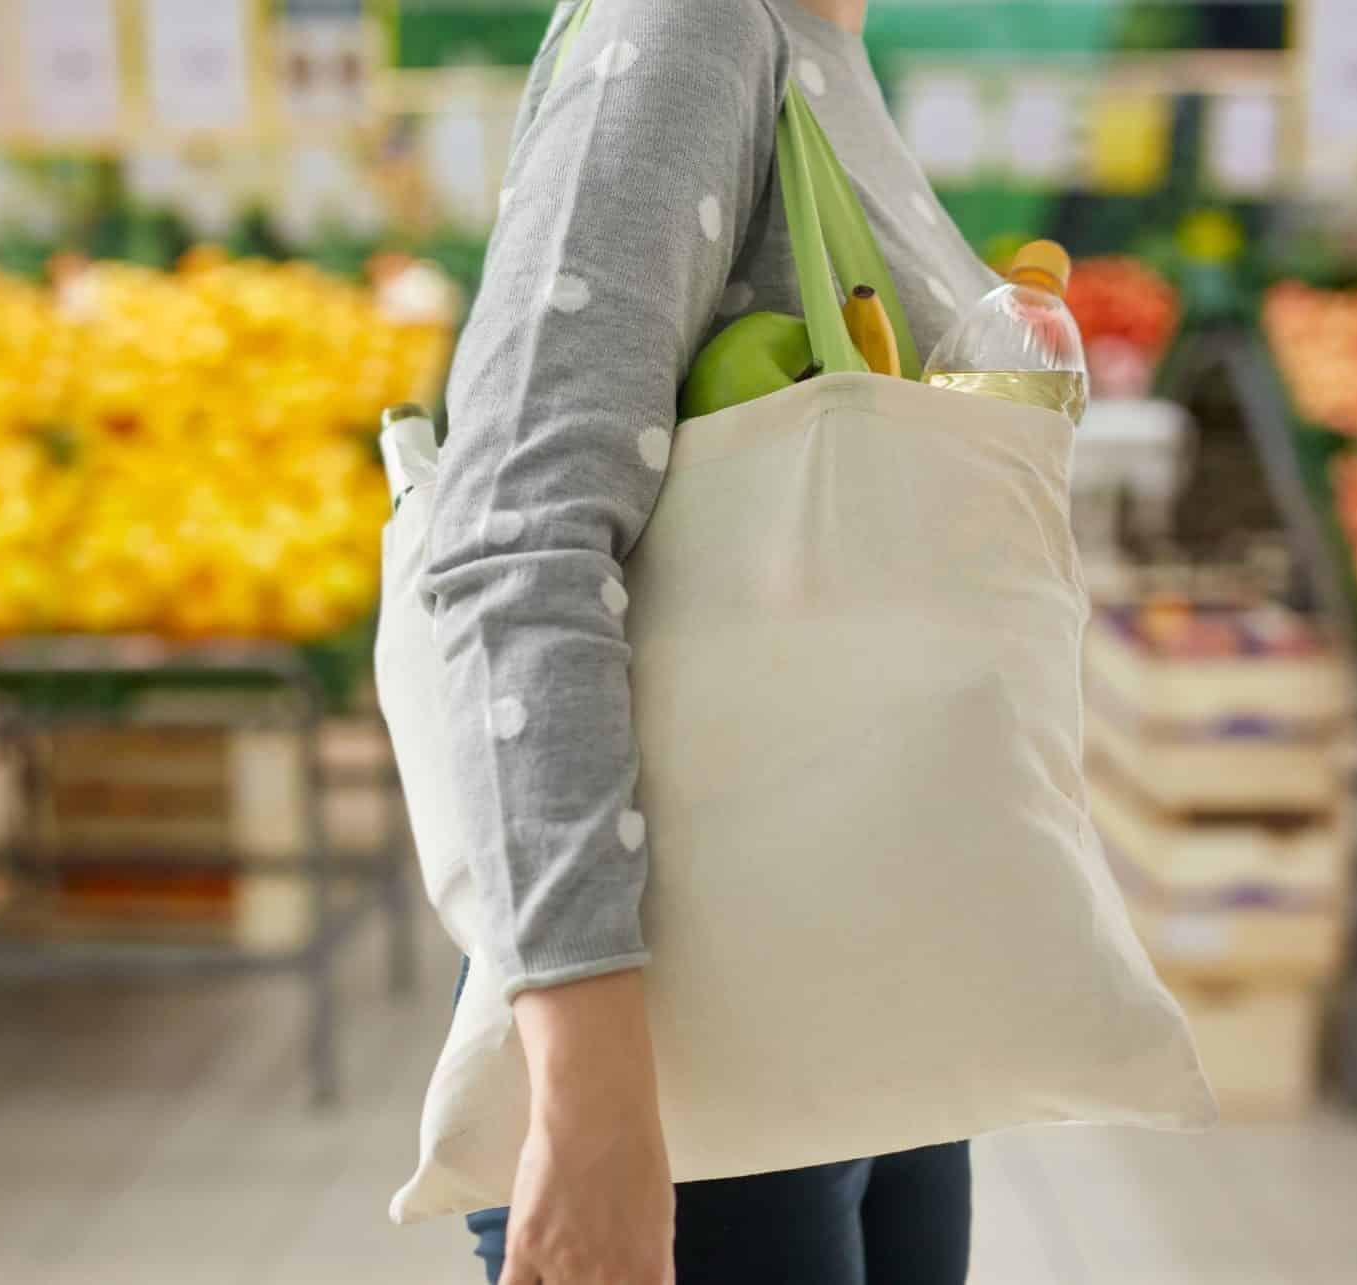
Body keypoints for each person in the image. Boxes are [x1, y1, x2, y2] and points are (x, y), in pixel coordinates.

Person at [426, 1, 999, 1281]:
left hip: (850, 970)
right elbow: (519, 536)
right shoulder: (691, 23)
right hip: (694, 1035)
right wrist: (593, 1109)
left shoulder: (815, 36)